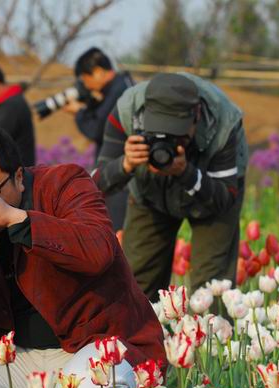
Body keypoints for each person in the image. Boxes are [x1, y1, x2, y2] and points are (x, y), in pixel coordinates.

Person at [0, 120, 164, 388]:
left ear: (19, 176)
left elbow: (98, 251)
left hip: (93, 347)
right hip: (17, 363)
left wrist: (18, 220)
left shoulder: (64, 183)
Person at [93, 72, 249, 300]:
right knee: (136, 284)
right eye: (157, 132)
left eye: (177, 134)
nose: (169, 141)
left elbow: (224, 199)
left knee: (212, 289)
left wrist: (186, 173)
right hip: (149, 195)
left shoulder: (224, 122)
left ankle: (209, 335)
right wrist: (125, 164)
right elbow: (97, 185)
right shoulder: (127, 111)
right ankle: (142, 335)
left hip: (211, 193)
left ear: (196, 116)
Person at [63, 48, 134, 231]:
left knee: (116, 235)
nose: (86, 86)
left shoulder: (119, 92)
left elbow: (96, 129)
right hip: (117, 173)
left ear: (98, 72)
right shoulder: (121, 86)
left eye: (86, 80)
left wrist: (79, 112)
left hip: (120, 179)